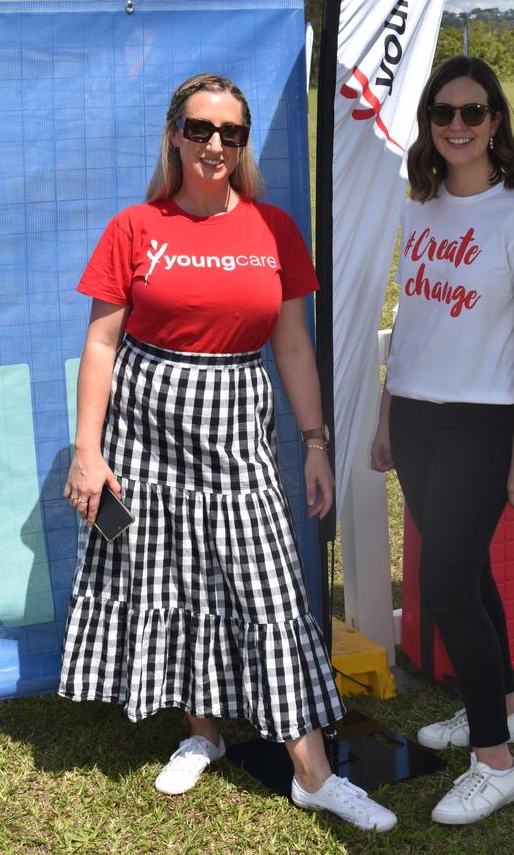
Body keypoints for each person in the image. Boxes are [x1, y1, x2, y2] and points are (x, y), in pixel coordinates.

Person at [58, 73, 396, 834]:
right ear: (175, 132)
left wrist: (314, 443)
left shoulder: (274, 229)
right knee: (171, 577)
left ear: (242, 144)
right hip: (143, 435)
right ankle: (202, 733)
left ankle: (312, 771)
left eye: (230, 134)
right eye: (200, 128)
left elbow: (294, 346)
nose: (215, 145)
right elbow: (102, 343)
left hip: (238, 432)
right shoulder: (134, 227)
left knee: (268, 591)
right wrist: (89, 450)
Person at [371, 57, 514, 826]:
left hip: (483, 423)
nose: (456, 126)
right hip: (416, 415)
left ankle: (495, 761)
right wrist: (388, 412)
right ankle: (502, 707)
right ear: (428, 123)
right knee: (466, 570)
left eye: (472, 113)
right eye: (442, 113)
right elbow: (412, 321)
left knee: (445, 581)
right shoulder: (419, 207)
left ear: (496, 121)